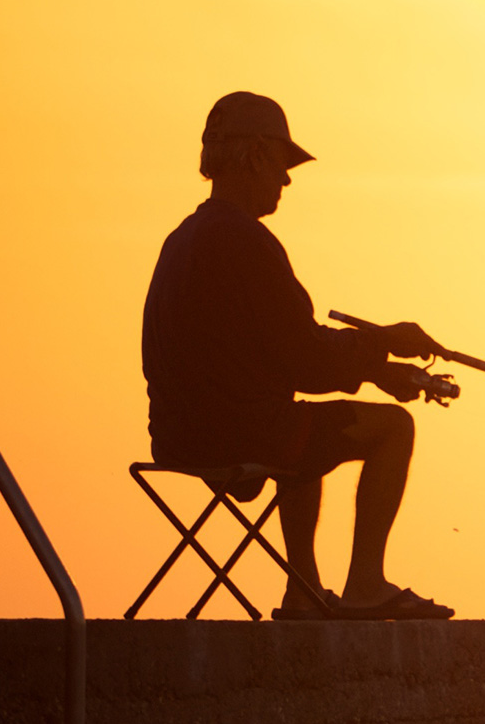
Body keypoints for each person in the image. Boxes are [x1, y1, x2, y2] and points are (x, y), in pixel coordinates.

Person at [142, 91, 453, 620]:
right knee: (393, 428)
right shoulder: (247, 243)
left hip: (178, 437)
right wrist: (385, 341)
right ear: (257, 155)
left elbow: (279, 357)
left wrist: (376, 370)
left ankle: (302, 590)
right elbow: (308, 361)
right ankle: (364, 585)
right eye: (282, 164)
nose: (286, 180)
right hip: (240, 433)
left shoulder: (183, 239)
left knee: (306, 431)